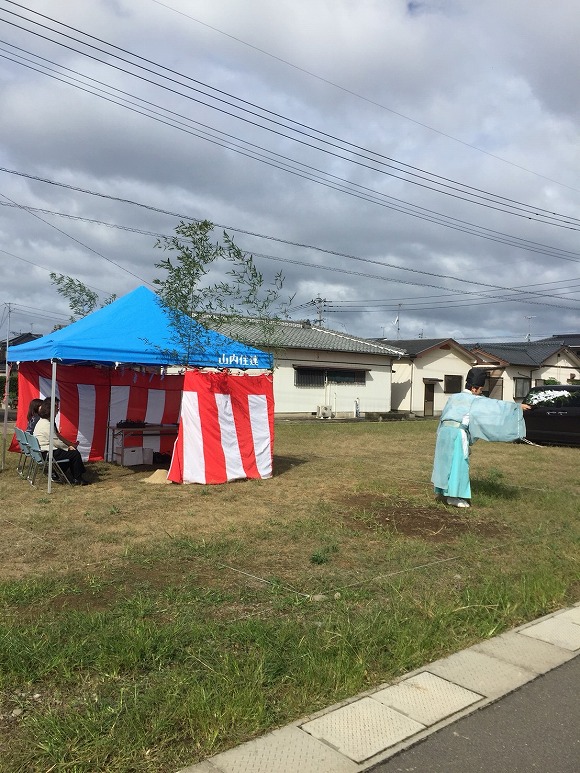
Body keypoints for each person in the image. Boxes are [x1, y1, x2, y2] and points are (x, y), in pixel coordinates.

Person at [431, 368, 532, 508]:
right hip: (457, 433)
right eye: (480, 389)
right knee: (458, 464)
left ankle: (444, 491)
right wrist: (517, 407)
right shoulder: (474, 399)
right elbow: (495, 406)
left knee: (445, 462)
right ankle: (454, 497)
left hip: (443, 432)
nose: (481, 392)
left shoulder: (453, 397)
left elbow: (443, 415)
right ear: (473, 388)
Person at [33, 400, 90, 485]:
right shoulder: (47, 424)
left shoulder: (42, 422)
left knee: (70, 453)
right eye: (56, 410)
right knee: (74, 453)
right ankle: (78, 478)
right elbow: (56, 441)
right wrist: (68, 448)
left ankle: (62, 474)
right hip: (48, 452)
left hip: (43, 451)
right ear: (50, 411)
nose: (57, 412)